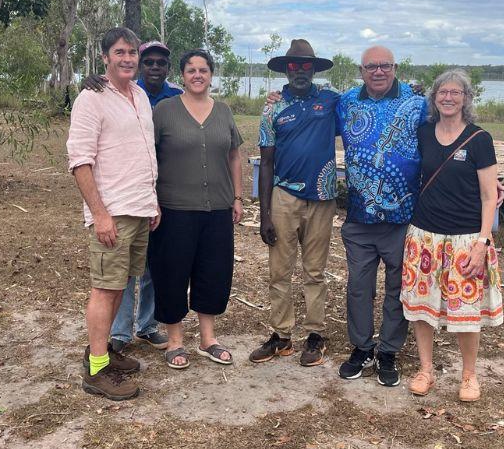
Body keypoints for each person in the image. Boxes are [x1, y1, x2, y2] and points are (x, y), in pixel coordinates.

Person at [66, 27, 161, 400]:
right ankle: (96, 371)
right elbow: (80, 162)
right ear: (105, 57)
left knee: (120, 284)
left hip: (139, 209)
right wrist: (100, 214)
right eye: (120, 52)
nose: (128, 58)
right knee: (105, 288)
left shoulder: (139, 96)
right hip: (113, 212)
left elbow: (143, 154)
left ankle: (102, 352)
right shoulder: (91, 98)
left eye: (132, 52)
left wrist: (151, 202)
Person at [401, 69, 502, 402]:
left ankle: (470, 375)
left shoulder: (479, 139)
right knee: (422, 307)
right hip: (425, 235)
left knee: (465, 311)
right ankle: (426, 369)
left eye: (455, 92)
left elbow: (490, 196)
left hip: (465, 238)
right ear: (434, 98)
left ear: (466, 99)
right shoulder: (423, 133)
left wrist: (482, 242)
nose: (448, 97)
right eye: (442, 92)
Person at [335, 46, 428, 387]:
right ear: (361, 70)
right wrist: (275, 101)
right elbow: (310, 119)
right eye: (371, 66)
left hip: (403, 218)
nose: (378, 71)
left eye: (384, 66)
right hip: (359, 218)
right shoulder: (345, 102)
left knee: (398, 288)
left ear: (395, 67)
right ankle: (361, 347)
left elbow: (445, 140)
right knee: (358, 287)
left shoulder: (419, 104)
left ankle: (388, 351)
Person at [82, 40, 182, 353]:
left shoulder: (173, 97)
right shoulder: (105, 92)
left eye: (159, 62)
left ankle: (146, 325)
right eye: (147, 60)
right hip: (119, 200)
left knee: (148, 267)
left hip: (154, 195)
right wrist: (99, 213)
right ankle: (118, 336)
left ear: (167, 67)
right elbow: (80, 158)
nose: (153, 66)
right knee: (114, 280)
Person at [148, 49, 244, 369]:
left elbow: (233, 155)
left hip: (217, 208)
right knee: (172, 273)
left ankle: (208, 339)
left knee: (213, 273)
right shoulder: (164, 110)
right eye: (191, 70)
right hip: (174, 208)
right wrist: (151, 199)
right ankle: (175, 341)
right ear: (183, 75)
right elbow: (149, 157)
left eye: (203, 69)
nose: (198, 75)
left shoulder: (224, 112)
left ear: (211, 75)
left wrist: (238, 197)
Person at [249, 39, 339, 367]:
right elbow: (266, 162)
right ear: (286, 69)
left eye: (305, 66)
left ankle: (315, 334)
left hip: (322, 198)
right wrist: (264, 214)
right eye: (293, 66)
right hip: (284, 197)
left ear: (313, 69)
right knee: (279, 271)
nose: (299, 71)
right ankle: (282, 336)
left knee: (315, 271)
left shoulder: (331, 101)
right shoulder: (272, 106)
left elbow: (360, 120)